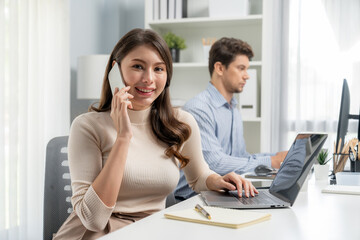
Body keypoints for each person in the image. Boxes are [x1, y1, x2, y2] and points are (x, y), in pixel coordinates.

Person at [53, 29, 257, 239]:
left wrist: (218, 181)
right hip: (97, 234)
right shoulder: (87, 126)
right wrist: (123, 137)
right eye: (138, 66)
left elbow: (198, 177)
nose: (149, 79)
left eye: (158, 69)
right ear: (115, 70)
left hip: (153, 229)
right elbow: (93, 220)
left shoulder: (181, 122)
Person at [175, 37, 287, 201]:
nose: (247, 76)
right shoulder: (198, 108)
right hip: (192, 198)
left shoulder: (232, 107)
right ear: (219, 68)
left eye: (247, 69)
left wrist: (277, 156)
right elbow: (215, 164)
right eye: (241, 68)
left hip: (220, 194)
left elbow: (239, 156)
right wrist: (271, 161)